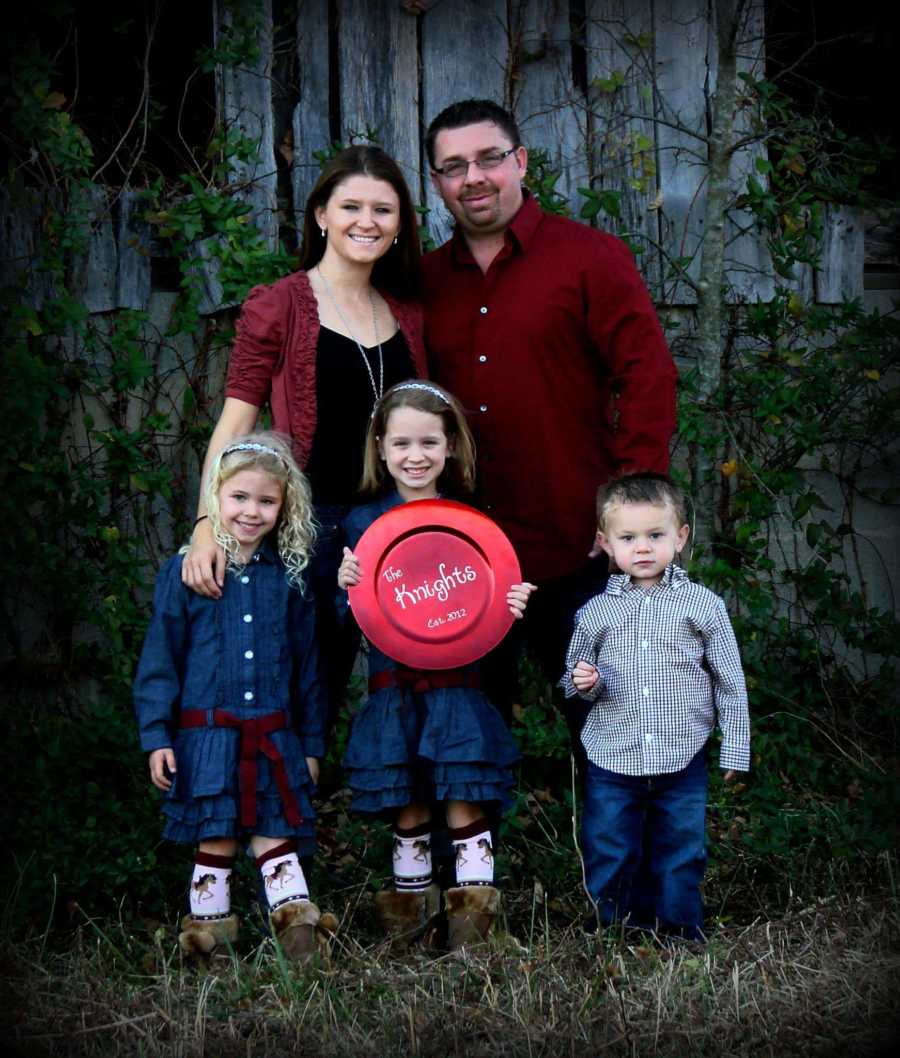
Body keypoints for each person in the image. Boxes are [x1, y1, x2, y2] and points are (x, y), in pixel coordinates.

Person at [421, 99, 679, 755]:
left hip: (574, 547)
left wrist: (629, 510)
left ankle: (625, 859)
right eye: (453, 166)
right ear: (437, 182)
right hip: (464, 557)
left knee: (610, 730)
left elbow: (647, 376)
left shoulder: (590, 258)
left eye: (488, 159)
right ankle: (476, 858)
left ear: (521, 161)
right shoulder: (423, 282)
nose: (473, 177)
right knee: (468, 737)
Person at [181, 146, 428, 737]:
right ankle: (281, 817)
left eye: (383, 210)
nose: (366, 221)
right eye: (350, 206)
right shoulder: (281, 304)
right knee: (297, 678)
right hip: (309, 523)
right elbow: (236, 423)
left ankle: (406, 813)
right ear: (321, 214)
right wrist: (205, 524)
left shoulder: (407, 311)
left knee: (409, 675)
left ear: (400, 225)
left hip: (391, 522)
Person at [337, 381, 536, 948]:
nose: (415, 456)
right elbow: (348, 620)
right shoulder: (360, 524)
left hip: (458, 690)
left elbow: (485, 614)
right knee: (408, 807)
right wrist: (343, 588)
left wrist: (510, 607)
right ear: (380, 447)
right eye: (401, 443)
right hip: (393, 688)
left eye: (429, 442)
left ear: (450, 447)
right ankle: (410, 933)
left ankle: (475, 935)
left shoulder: (471, 524)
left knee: (462, 797)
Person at [133, 433, 330, 963]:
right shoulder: (183, 573)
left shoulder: (291, 579)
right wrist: (156, 736)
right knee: (215, 841)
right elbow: (159, 662)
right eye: (239, 498)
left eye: (266, 501)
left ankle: (302, 951)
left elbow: (309, 668)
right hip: (207, 740)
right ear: (214, 498)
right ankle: (208, 954)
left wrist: (311, 745)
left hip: (274, 735)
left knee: (276, 837)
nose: (251, 511)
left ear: (284, 507)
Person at [560, 473, 750, 941]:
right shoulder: (595, 614)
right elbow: (571, 681)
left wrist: (736, 749)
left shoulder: (703, 606)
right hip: (612, 754)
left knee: (681, 846)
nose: (642, 548)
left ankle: (680, 929)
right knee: (610, 844)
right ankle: (613, 927)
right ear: (606, 543)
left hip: (681, 754)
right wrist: (586, 683)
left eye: (656, 535)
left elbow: (729, 681)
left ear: (681, 537)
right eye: (628, 538)